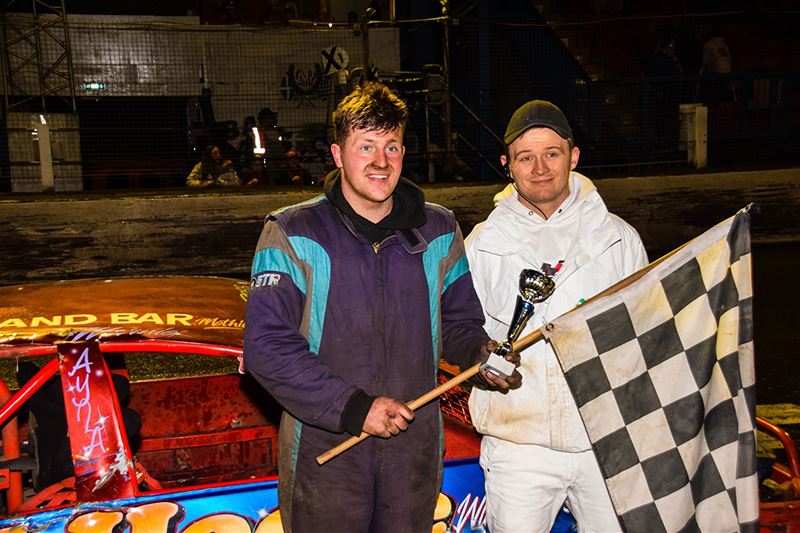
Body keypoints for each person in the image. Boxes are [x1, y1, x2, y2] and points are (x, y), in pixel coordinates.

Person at [243, 81, 521, 532]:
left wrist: (480, 355)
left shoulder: (439, 229)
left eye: (391, 146)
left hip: (412, 453)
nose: (380, 161)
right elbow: (267, 347)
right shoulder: (293, 232)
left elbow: (458, 323)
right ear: (338, 155)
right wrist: (354, 409)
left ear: (404, 153)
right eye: (365, 146)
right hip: (326, 450)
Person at [465, 100, 648, 532]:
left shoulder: (619, 239)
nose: (540, 168)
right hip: (518, 446)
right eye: (525, 157)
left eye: (552, 153)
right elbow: (462, 333)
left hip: (605, 441)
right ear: (507, 166)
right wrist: (479, 362)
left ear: (574, 156)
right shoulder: (481, 244)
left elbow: (646, 334)